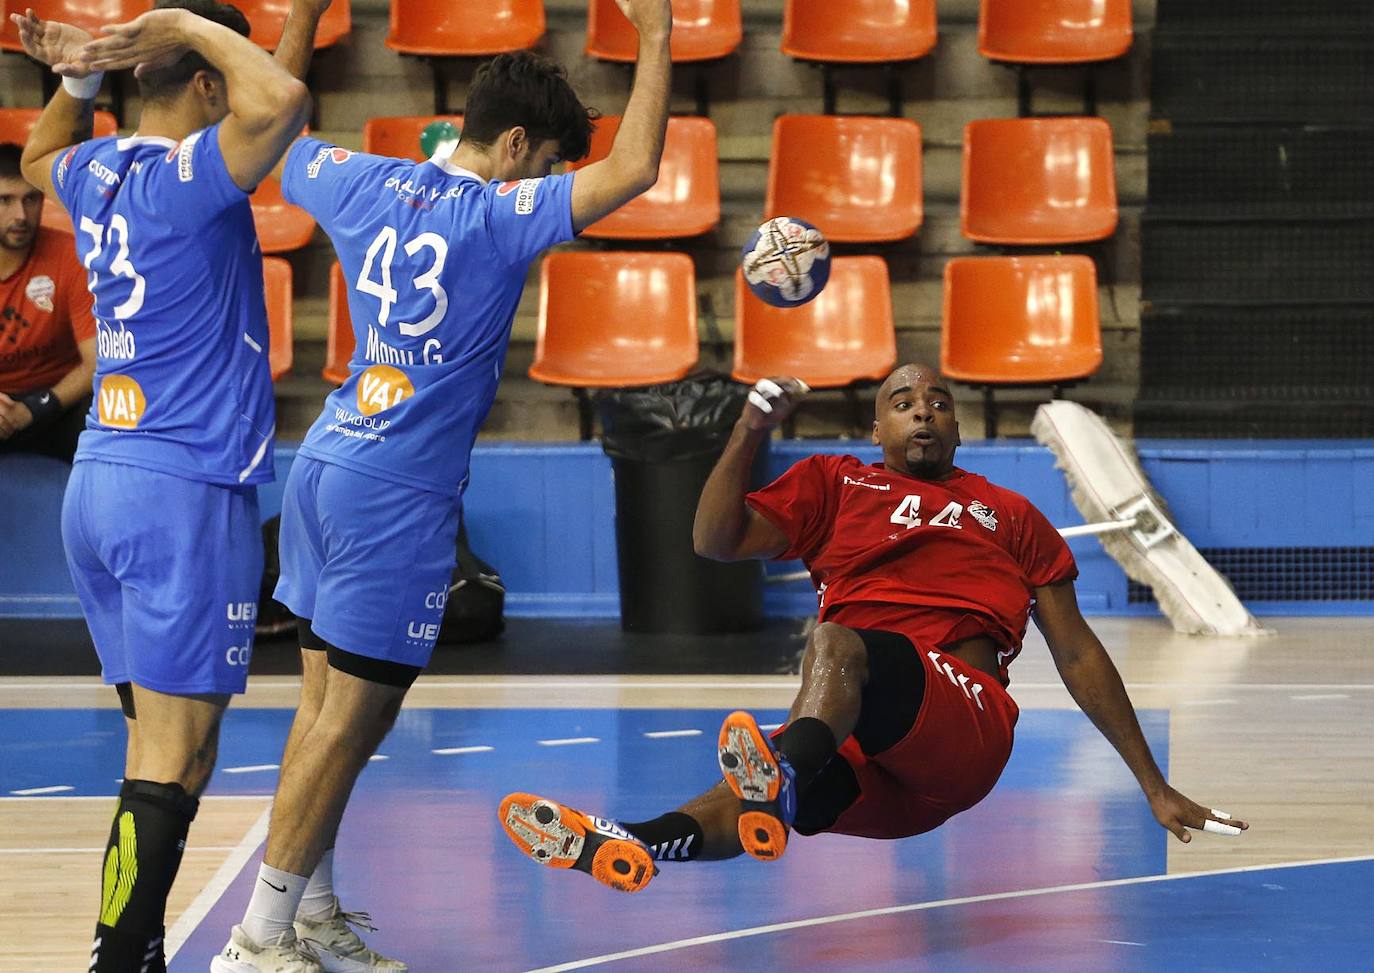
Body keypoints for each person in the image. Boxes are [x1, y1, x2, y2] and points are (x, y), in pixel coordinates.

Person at [210, 0, 675, 968]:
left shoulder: (361, 179)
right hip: (398, 495)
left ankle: (309, 914)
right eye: (547, 161)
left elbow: (270, 112)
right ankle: (256, 941)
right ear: (514, 145)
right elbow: (635, 169)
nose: (547, 180)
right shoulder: (501, 216)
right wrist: (660, 31)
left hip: (325, 462)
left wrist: (299, 17)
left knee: (332, 713)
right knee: (348, 724)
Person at [499, 364, 1249, 894]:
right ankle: (634, 840)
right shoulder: (835, 483)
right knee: (759, 787)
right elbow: (713, 539)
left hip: (965, 728)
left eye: (939, 401)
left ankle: (784, 774)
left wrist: (1153, 785)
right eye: (903, 400)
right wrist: (751, 424)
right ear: (877, 423)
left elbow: (1079, 653)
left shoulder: (1011, 516)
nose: (923, 409)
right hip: (878, 773)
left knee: (830, 649)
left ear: (956, 425)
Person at [10, 1, 311, 969]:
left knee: (172, 741)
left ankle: (127, 948)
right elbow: (285, 97)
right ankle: (119, 954)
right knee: (169, 757)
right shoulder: (191, 175)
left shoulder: (100, 168)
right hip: (184, 487)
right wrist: (181, 18)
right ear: (209, 84)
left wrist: (80, 79)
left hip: (102, 480)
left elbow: (32, 160)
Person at [0, 142, 97, 461]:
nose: (21, 216)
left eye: (31, 199)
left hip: (58, 400)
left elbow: (95, 362)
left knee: (120, 418)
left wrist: (36, 408)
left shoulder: (71, 255)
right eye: (5, 200)